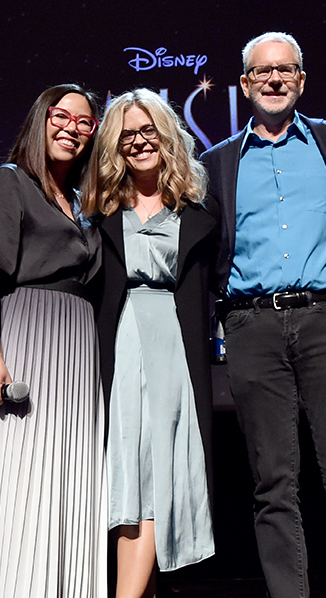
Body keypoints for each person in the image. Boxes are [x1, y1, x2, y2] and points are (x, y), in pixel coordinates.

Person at [198, 32, 326, 598]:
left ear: (301, 80)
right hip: (251, 325)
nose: (274, 79)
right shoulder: (216, 162)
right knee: (272, 483)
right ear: (246, 83)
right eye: (262, 71)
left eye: (286, 70)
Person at [0, 84, 106, 598]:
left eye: (86, 123)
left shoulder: (84, 204)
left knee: (66, 483)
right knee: (19, 484)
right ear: (40, 120)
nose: (73, 128)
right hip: (27, 336)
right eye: (62, 116)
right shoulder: (10, 181)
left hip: (77, 350)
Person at [83, 89, 218, 598]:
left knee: (162, 466)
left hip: (172, 346)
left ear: (167, 137)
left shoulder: (199, 213)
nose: (138, 142)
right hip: (118, 340)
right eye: (127, 135)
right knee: (128, 472)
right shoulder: (96, 210)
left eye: (147, 131)